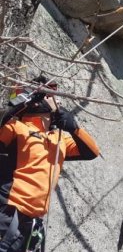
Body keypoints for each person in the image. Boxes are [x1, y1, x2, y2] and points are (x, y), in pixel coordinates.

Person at [0, 77, 100, 252]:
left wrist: (74, 128)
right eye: (52, 95)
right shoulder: (17, 127)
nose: (58, 99)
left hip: (34, 223)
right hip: (8, 213)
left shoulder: (58, 139)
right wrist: (24, 103)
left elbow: (91, 152)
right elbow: (4, 125)